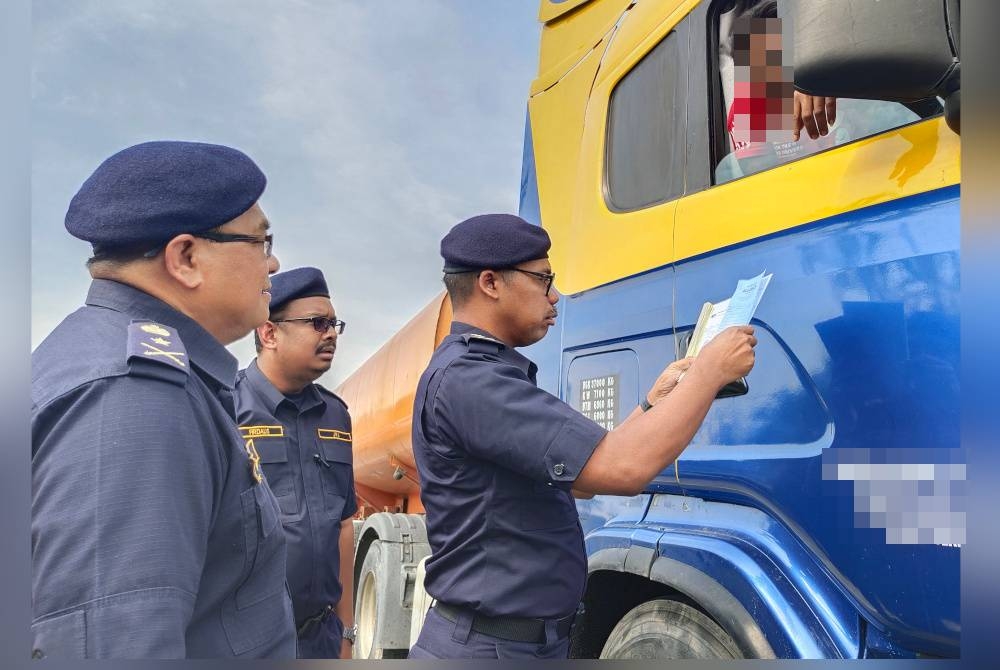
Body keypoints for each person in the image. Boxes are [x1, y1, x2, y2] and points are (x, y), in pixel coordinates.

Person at [406, 213, 757, 659]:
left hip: (515, 645)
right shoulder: (472, 381)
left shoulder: (483, 376)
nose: (554, 296)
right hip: (490, 650)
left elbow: (588, 474)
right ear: (491, 283)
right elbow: (623, 469)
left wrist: (652, 404)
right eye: (543, 279)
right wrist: (710, 372)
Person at [31, 141, 296, 658]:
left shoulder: (145, 372)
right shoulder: (133, 402)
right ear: (187, 258)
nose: (274, 262)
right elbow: (116, 648)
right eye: (261, 242)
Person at [235, 267, 358, 659]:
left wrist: (347, 633)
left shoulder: (335, 415)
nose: (332, 333)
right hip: (245, 644)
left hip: (318, 638)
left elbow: (342, 526)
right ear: (269, 333)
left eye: (334, 323)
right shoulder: (225, 408)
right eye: (317, 323)